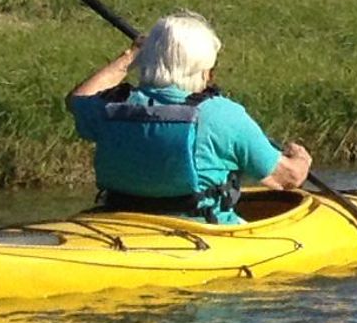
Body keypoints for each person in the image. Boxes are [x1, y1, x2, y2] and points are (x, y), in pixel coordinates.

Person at [67, 13, 313, 224]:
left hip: (120, 221)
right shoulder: (224, 115)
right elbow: (289, 178)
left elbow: (77, 98)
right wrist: (300, 158)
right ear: (205, 70)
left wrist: (130, 55)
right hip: (201, 229)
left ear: (147, 59)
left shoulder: (110, 106)